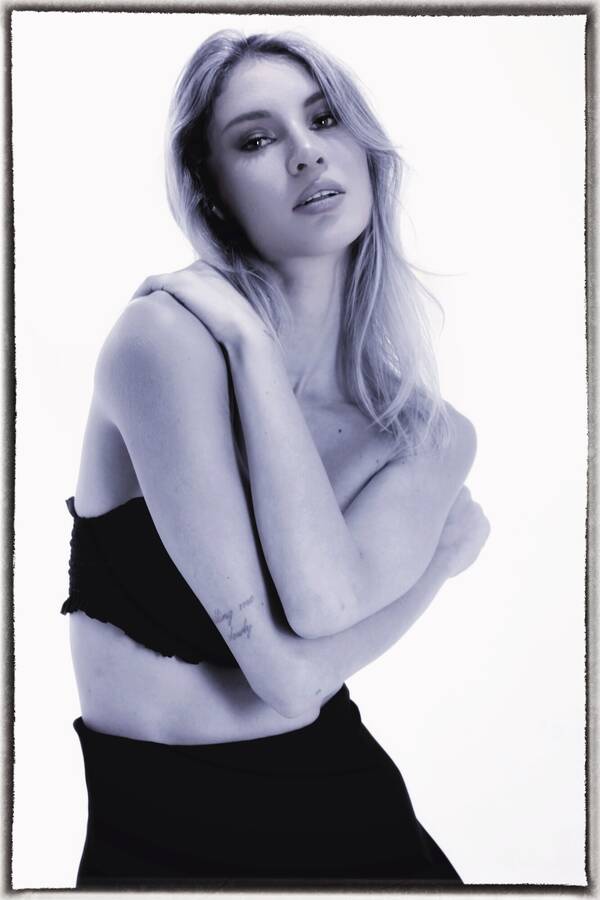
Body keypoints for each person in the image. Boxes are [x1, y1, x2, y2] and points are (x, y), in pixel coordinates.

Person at [62, 29, 490, 887]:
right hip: (150, 844)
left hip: (350, 825)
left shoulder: (425, 433)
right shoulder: (165, 342)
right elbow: (285, 681)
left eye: (324, 119)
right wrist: (437, 566)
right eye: (257, 139)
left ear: (363, 149)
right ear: (212, 190)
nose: (306, 154)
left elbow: (321, 609)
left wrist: (253, 353)